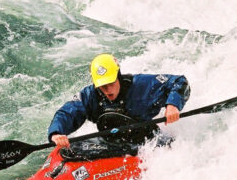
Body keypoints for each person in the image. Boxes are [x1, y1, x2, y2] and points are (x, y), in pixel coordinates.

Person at [48, 53, 190, 149]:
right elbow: (67, 112)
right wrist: (56, 133)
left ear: (118, 76)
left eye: (111, 83)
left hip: (147, 142)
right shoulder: (90, 95)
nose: (108, 90)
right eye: (103, 86)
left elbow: (179, 81)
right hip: (111, 143)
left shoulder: (142, 85)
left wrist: (173, 105)